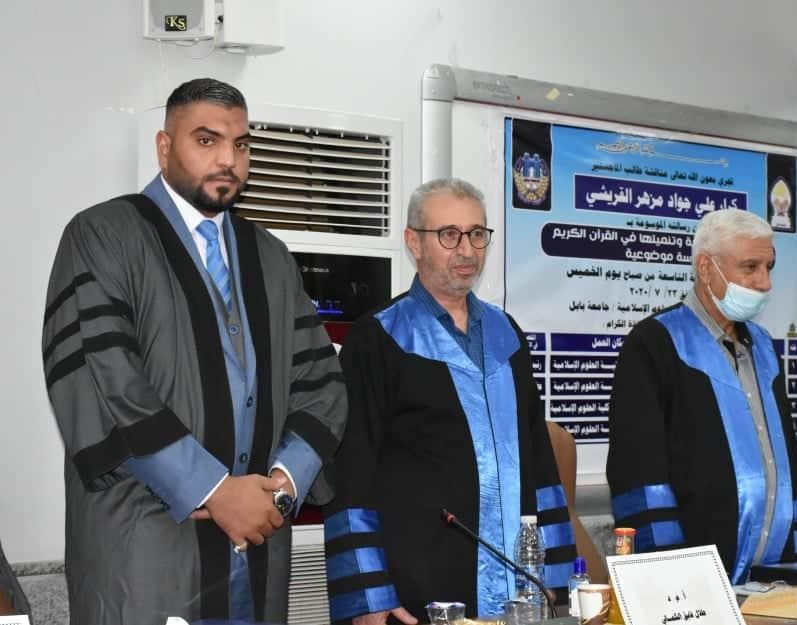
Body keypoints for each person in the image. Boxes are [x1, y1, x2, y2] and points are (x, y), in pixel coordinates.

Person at [42, 78, 347, 624]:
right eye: (206, 141)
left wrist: (281, 486)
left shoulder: (271, 258)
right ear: (164, 147)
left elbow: (321, 384)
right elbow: (102, 381)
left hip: (257, 548)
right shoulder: (103, 236)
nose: (228, 159)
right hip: (148, 545)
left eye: (241, 144)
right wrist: (213, 490)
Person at [324, 178, 576, 624]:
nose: (467, 250)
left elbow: (539, 461)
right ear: (413, 243)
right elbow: (351, 473)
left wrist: (554, 575)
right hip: (417, 583)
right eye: (449, 235)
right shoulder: (379, 338)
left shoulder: (507, 335)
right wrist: (368, 593)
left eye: (477, 234)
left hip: (520, 585)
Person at [606, 208, 797, 584]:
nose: (765, 282)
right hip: (694, 581)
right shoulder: (656, 343)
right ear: (706, 268)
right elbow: (638, 473)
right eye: (750, 267)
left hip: (775, 577)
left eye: (769, 267)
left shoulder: (763, 347)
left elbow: (787, 460)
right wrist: (671, 576)